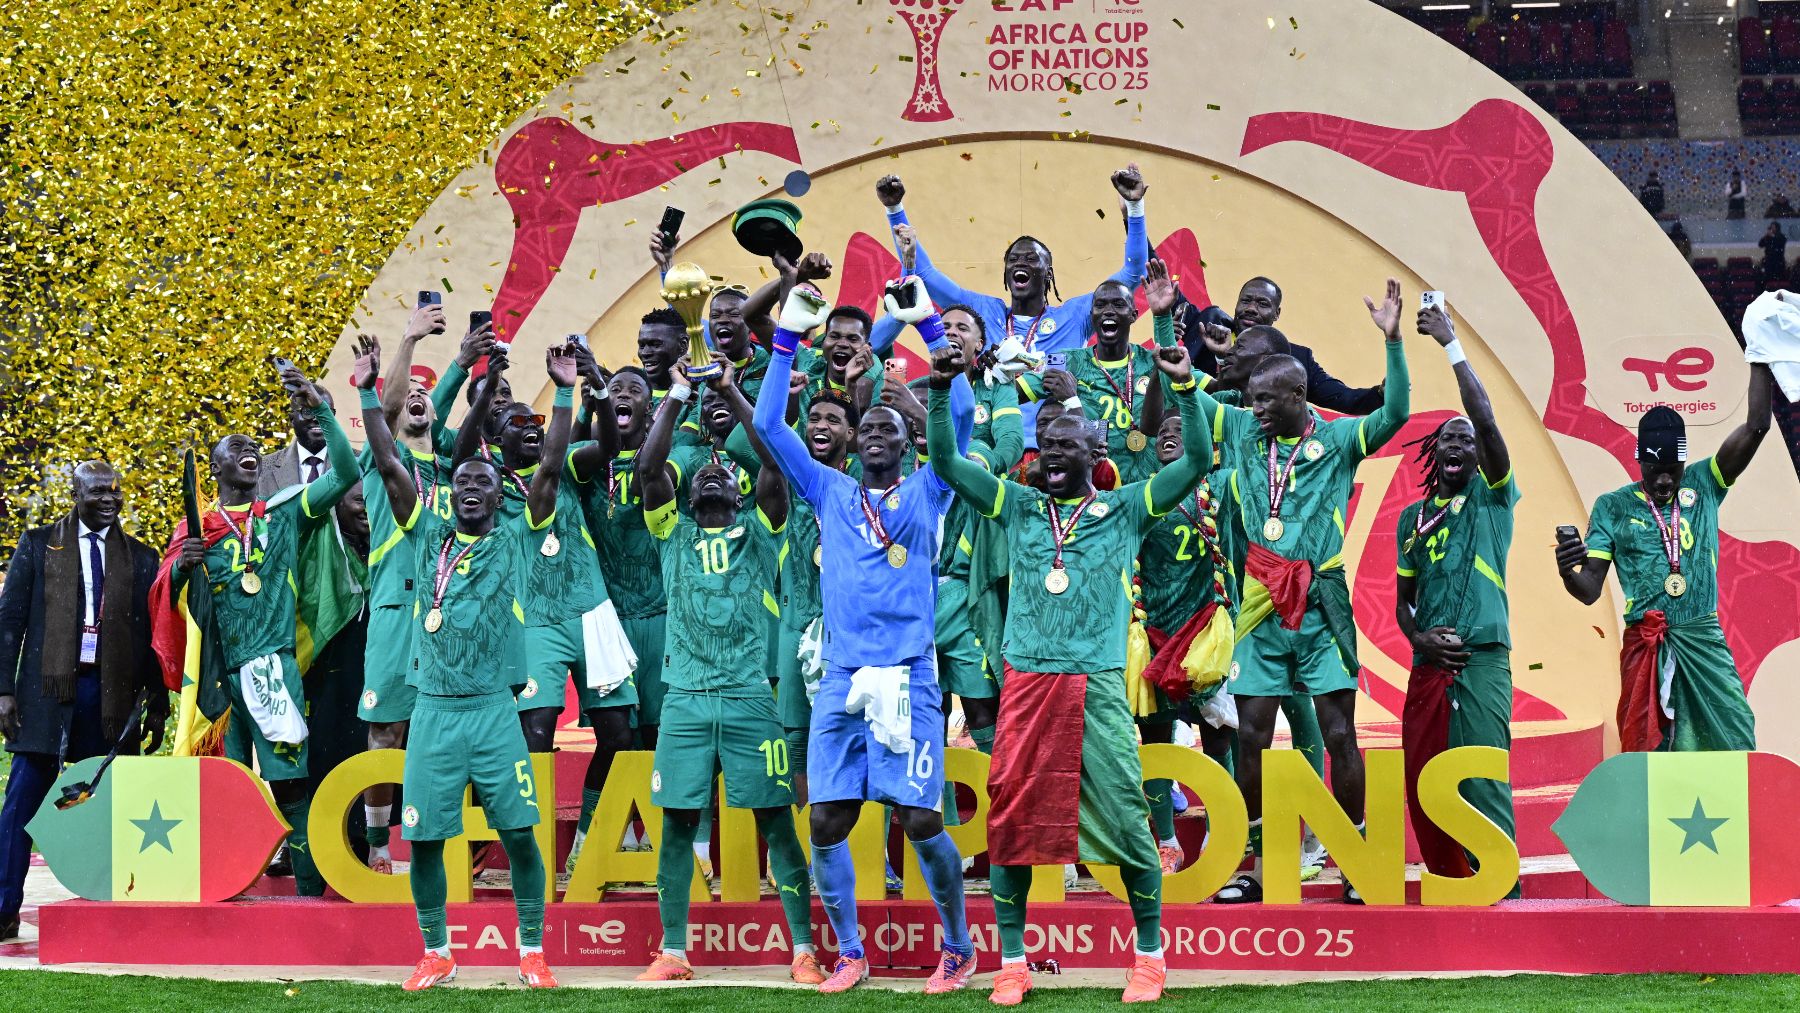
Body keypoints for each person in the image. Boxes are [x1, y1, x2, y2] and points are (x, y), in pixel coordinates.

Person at [928, 319, 1210, 1005]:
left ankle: (1150, 956)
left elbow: (1196, 462)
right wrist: (939, 393)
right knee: (1010, 824)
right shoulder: (1017, 505)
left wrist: (1185, 389)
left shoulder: (1125, 508)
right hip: (1026, 682)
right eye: (1046, 445)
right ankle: (1014, 961)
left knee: (1127, 818)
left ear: (1094, 451)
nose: (1052, 453)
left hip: (1098, 684)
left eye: (1066, 445)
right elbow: (947, 465)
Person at [753, 279, 978, 995]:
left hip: (909, 673)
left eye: (891, 429)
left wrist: (931, 332)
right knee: (826, 819)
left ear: (910, 443)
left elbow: (962, 415)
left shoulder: (931, 488)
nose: (877, 433)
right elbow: (769, 424)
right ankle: (850, 952)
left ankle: (959, 946)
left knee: (918, 819)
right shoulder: (830, 490)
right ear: (852, 442)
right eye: (868, 428)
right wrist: (786, 339)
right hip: (842, 676)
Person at [356, 336, 572, 990]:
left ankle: (530, 949)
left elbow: (551, 469)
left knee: (520, 834)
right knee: (424, 839)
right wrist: (366, 394)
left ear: (501, 495)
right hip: (433, 713)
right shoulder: (426, 533)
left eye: (485, 481)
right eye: (464, 481)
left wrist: (564, 390)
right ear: (450, 494)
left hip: (493, 712)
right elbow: (388, 462)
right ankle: (437, 951)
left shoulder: (516, 539)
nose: (473, 487)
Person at [1201, 278, 1413, 905]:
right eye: (1251, 400)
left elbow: (1396, 414)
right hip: (1259, 605)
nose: (1256, 409)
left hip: (1321, 604)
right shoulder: (1243, 431)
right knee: (1250, 734)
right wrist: (1178, 357)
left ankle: (1355, 859)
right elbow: (1187, 400)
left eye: (1266, 400)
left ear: (1298, 394)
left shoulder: (1339, 440)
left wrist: (1394, 342)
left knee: (1339, 731)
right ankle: (1257, 862)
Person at [630, 354, 824, 986]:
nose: (713, 476)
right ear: (688, 498)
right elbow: (648, 468)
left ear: (742, 495)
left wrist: (733, 391)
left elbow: (774, 461)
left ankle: (802, 950)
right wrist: (677, 395)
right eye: (703, 476)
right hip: (684, 700)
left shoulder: (763, 531)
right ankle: (674, 951)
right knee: (676, 826)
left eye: (725, 475)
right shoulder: (671, 534)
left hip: (749, 698)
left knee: (778, 824)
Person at [164, 363, 361, 898]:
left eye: (254, 446)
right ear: (216, 467)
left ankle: (311, 891)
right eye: (236, 448)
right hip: (217, 682)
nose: (249, 450)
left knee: (290, 784)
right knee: (227, 790)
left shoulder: (284, 511)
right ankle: (226, 887)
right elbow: (166, 600)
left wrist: (319, 408)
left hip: (273, 669)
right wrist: (182, 568)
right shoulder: (196, 530)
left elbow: (345, 473)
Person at [1554, 365, 1773, 752]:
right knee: (1647, 750)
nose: (1664, 481)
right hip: (1645, 644)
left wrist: (1760, 356)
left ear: (1684, 462)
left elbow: (1757, 427)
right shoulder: (1613, 507)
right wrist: (1567, 570)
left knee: (1735, 737)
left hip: (1702, 639)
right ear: (1639, 460)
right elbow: (1588, 590)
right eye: (1654, 471)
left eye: (1673, 471)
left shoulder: (1705, 482)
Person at [0, 462, 164, 941]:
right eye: (97, 491)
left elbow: (152, 635)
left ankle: (116, 908)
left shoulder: (142, 557)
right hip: (47, 694)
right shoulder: (37, 544)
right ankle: (4, 907)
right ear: (75, 494)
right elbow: (9, 621)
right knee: (22, 804)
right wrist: (4, 691)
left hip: (112, 697)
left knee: (114, 807)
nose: (109, 499)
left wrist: (157, 701)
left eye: (115, 491)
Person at [1394, 304, 1518, 890]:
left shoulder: (1494, 498)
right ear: (1434, 450)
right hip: (1429, 664)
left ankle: (1504, 885)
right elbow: (1403, 601)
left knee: (1483, 774)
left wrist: (1452, 347)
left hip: (1483, 658)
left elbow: (1486, 422)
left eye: (1466, 441)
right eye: (1449, 437)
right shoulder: (1411, 519)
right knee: (1429, 774)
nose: (1459, 445)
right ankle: (1453, 877)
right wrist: (1419, 638)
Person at [353, 301, 466, 872]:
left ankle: (444, 840)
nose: (417, 398)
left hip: (451, 611)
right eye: (410, 395)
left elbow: (432, 407)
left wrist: (466, 364)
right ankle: (377, 845)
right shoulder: (385, 462)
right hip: (397, 611)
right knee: (387, 730)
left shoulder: (452, 473)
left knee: (448, 731)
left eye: (428, 395)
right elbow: (391, 406)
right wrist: (409, 340)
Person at [1182, 276, 1384, 416]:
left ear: (1277, 313)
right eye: (1245, 301)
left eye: (1262, 304)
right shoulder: (1207, 327)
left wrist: (1382, 394)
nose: (1251, 308)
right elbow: (1168, 298)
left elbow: (1344, 398)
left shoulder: (1297, 360)